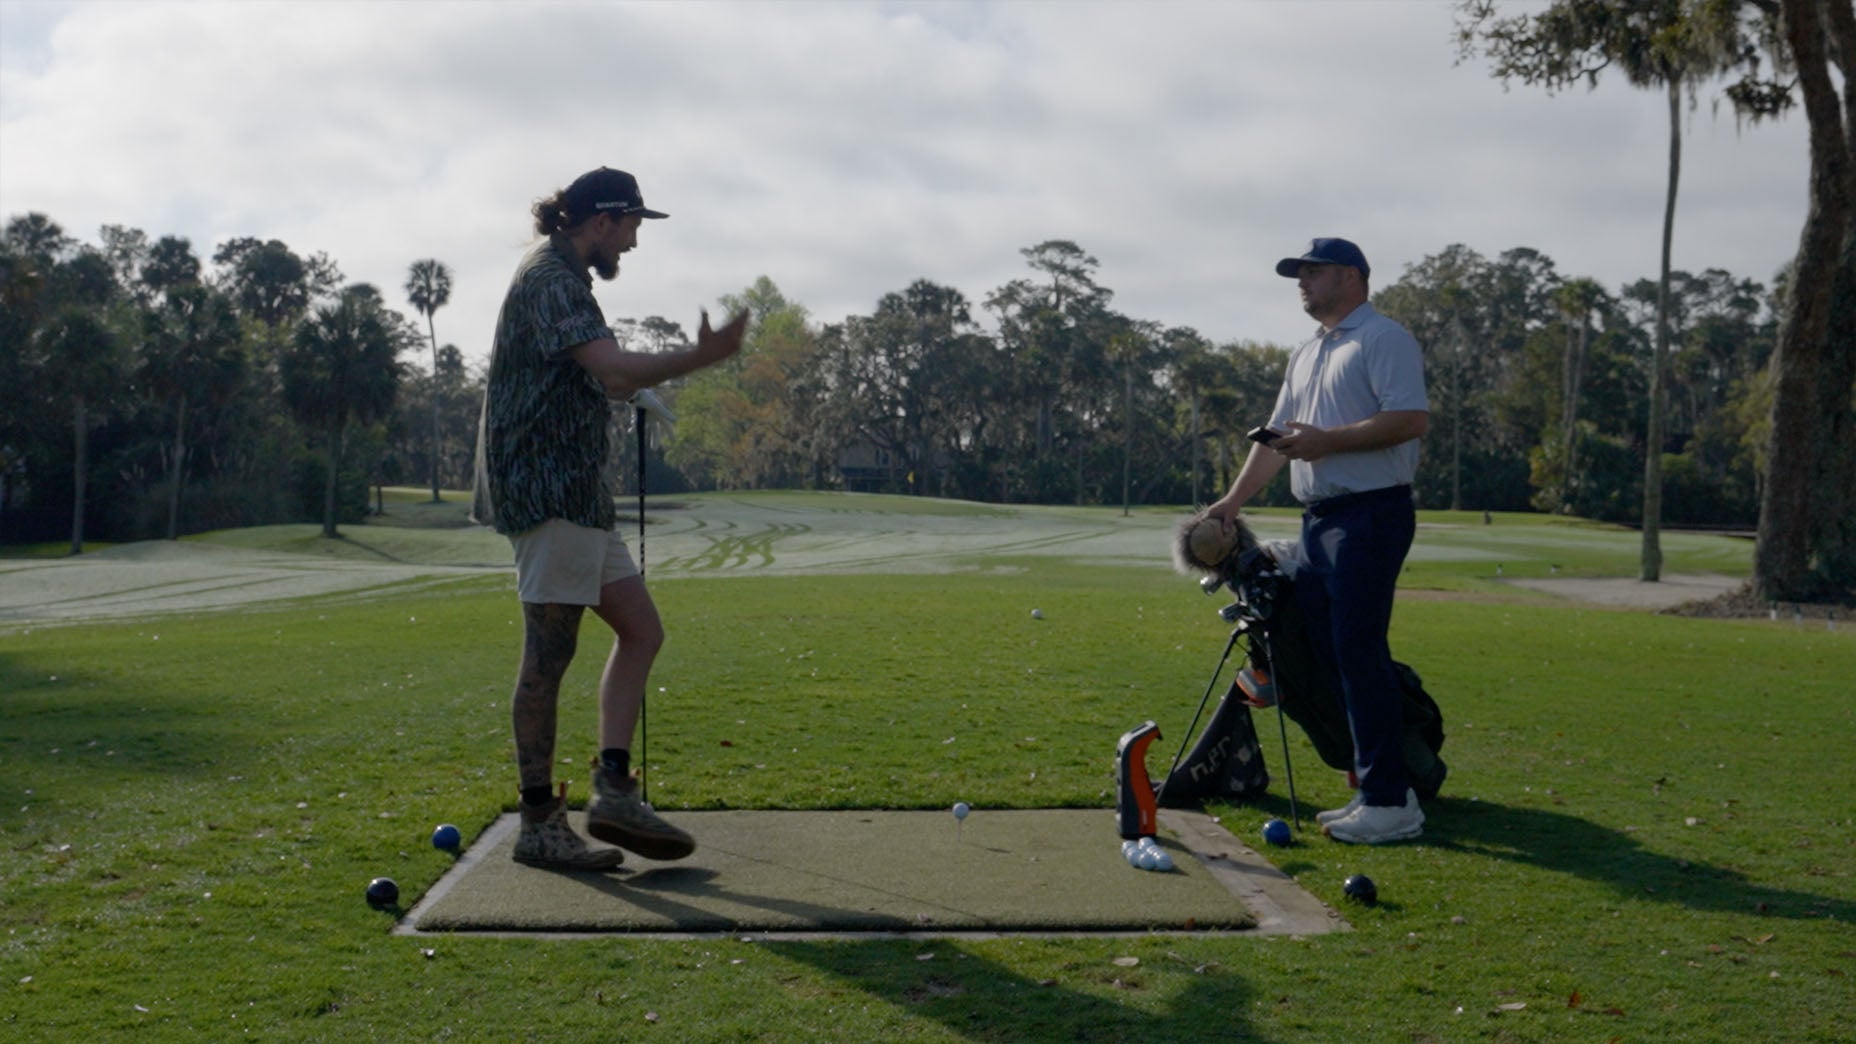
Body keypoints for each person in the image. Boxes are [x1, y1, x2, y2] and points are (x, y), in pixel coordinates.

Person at [471, 166, 748, 870]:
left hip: (580, 496)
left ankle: (613, 788)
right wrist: (700, 357)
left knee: (642, 631)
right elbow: (611, 369)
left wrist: (626, 394)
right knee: (548, 655)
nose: (631, 243)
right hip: (547, 490)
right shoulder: (551, 280)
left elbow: (591, 377)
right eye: (630, 228)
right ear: (601, 221)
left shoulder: (569, 279)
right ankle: (539, 823)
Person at [1204, 237, 1430, 845]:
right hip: (1321, 520)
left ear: (1352, 277)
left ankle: (1392, 800)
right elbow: (1275, 439)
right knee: (1333, 652)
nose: (1302, 282)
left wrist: (1327, 441)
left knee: (1359, 650)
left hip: (1372, 513)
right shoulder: (1306, 353)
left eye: (1314, 272)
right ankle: (1374, 787)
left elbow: (1409, 419)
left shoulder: (1383, 338)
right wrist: (1232, 502)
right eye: (1298, 274)